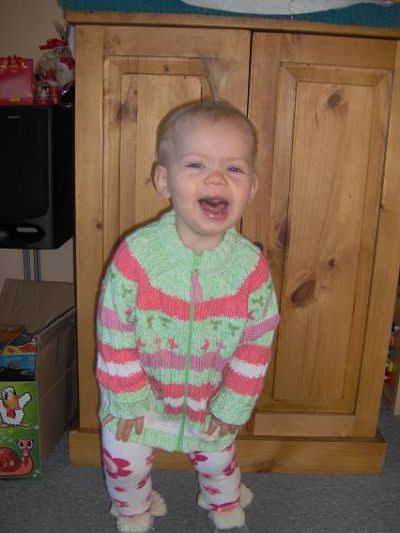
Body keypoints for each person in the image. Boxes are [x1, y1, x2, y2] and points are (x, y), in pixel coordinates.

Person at [96, 98, 279, 533]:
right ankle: (133, 510)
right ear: (164, 181)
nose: (216, 178)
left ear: (252, 187)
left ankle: (224, 499)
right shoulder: (136, 256)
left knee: (218, 460)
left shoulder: (251, 269)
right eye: (196, 165)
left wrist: (234, 401)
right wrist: (127, 394)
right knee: (124, 461)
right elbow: (114, 327)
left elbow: (257, 340)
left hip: (210, 397)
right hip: (138, 395)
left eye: (234, 168)